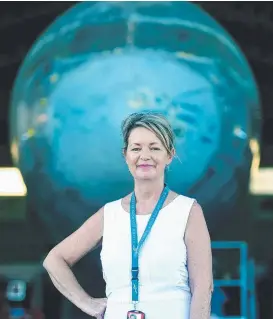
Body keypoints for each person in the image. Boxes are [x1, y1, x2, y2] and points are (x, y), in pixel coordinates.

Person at [43, 112, 213, 319]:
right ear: (126, 155)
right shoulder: (109, 214)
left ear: (169, 155)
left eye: (155, 148)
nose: (145, 156)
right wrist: (86, 303)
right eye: (136, 148)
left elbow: (203, 288)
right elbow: (54, 260)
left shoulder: (188, 211)